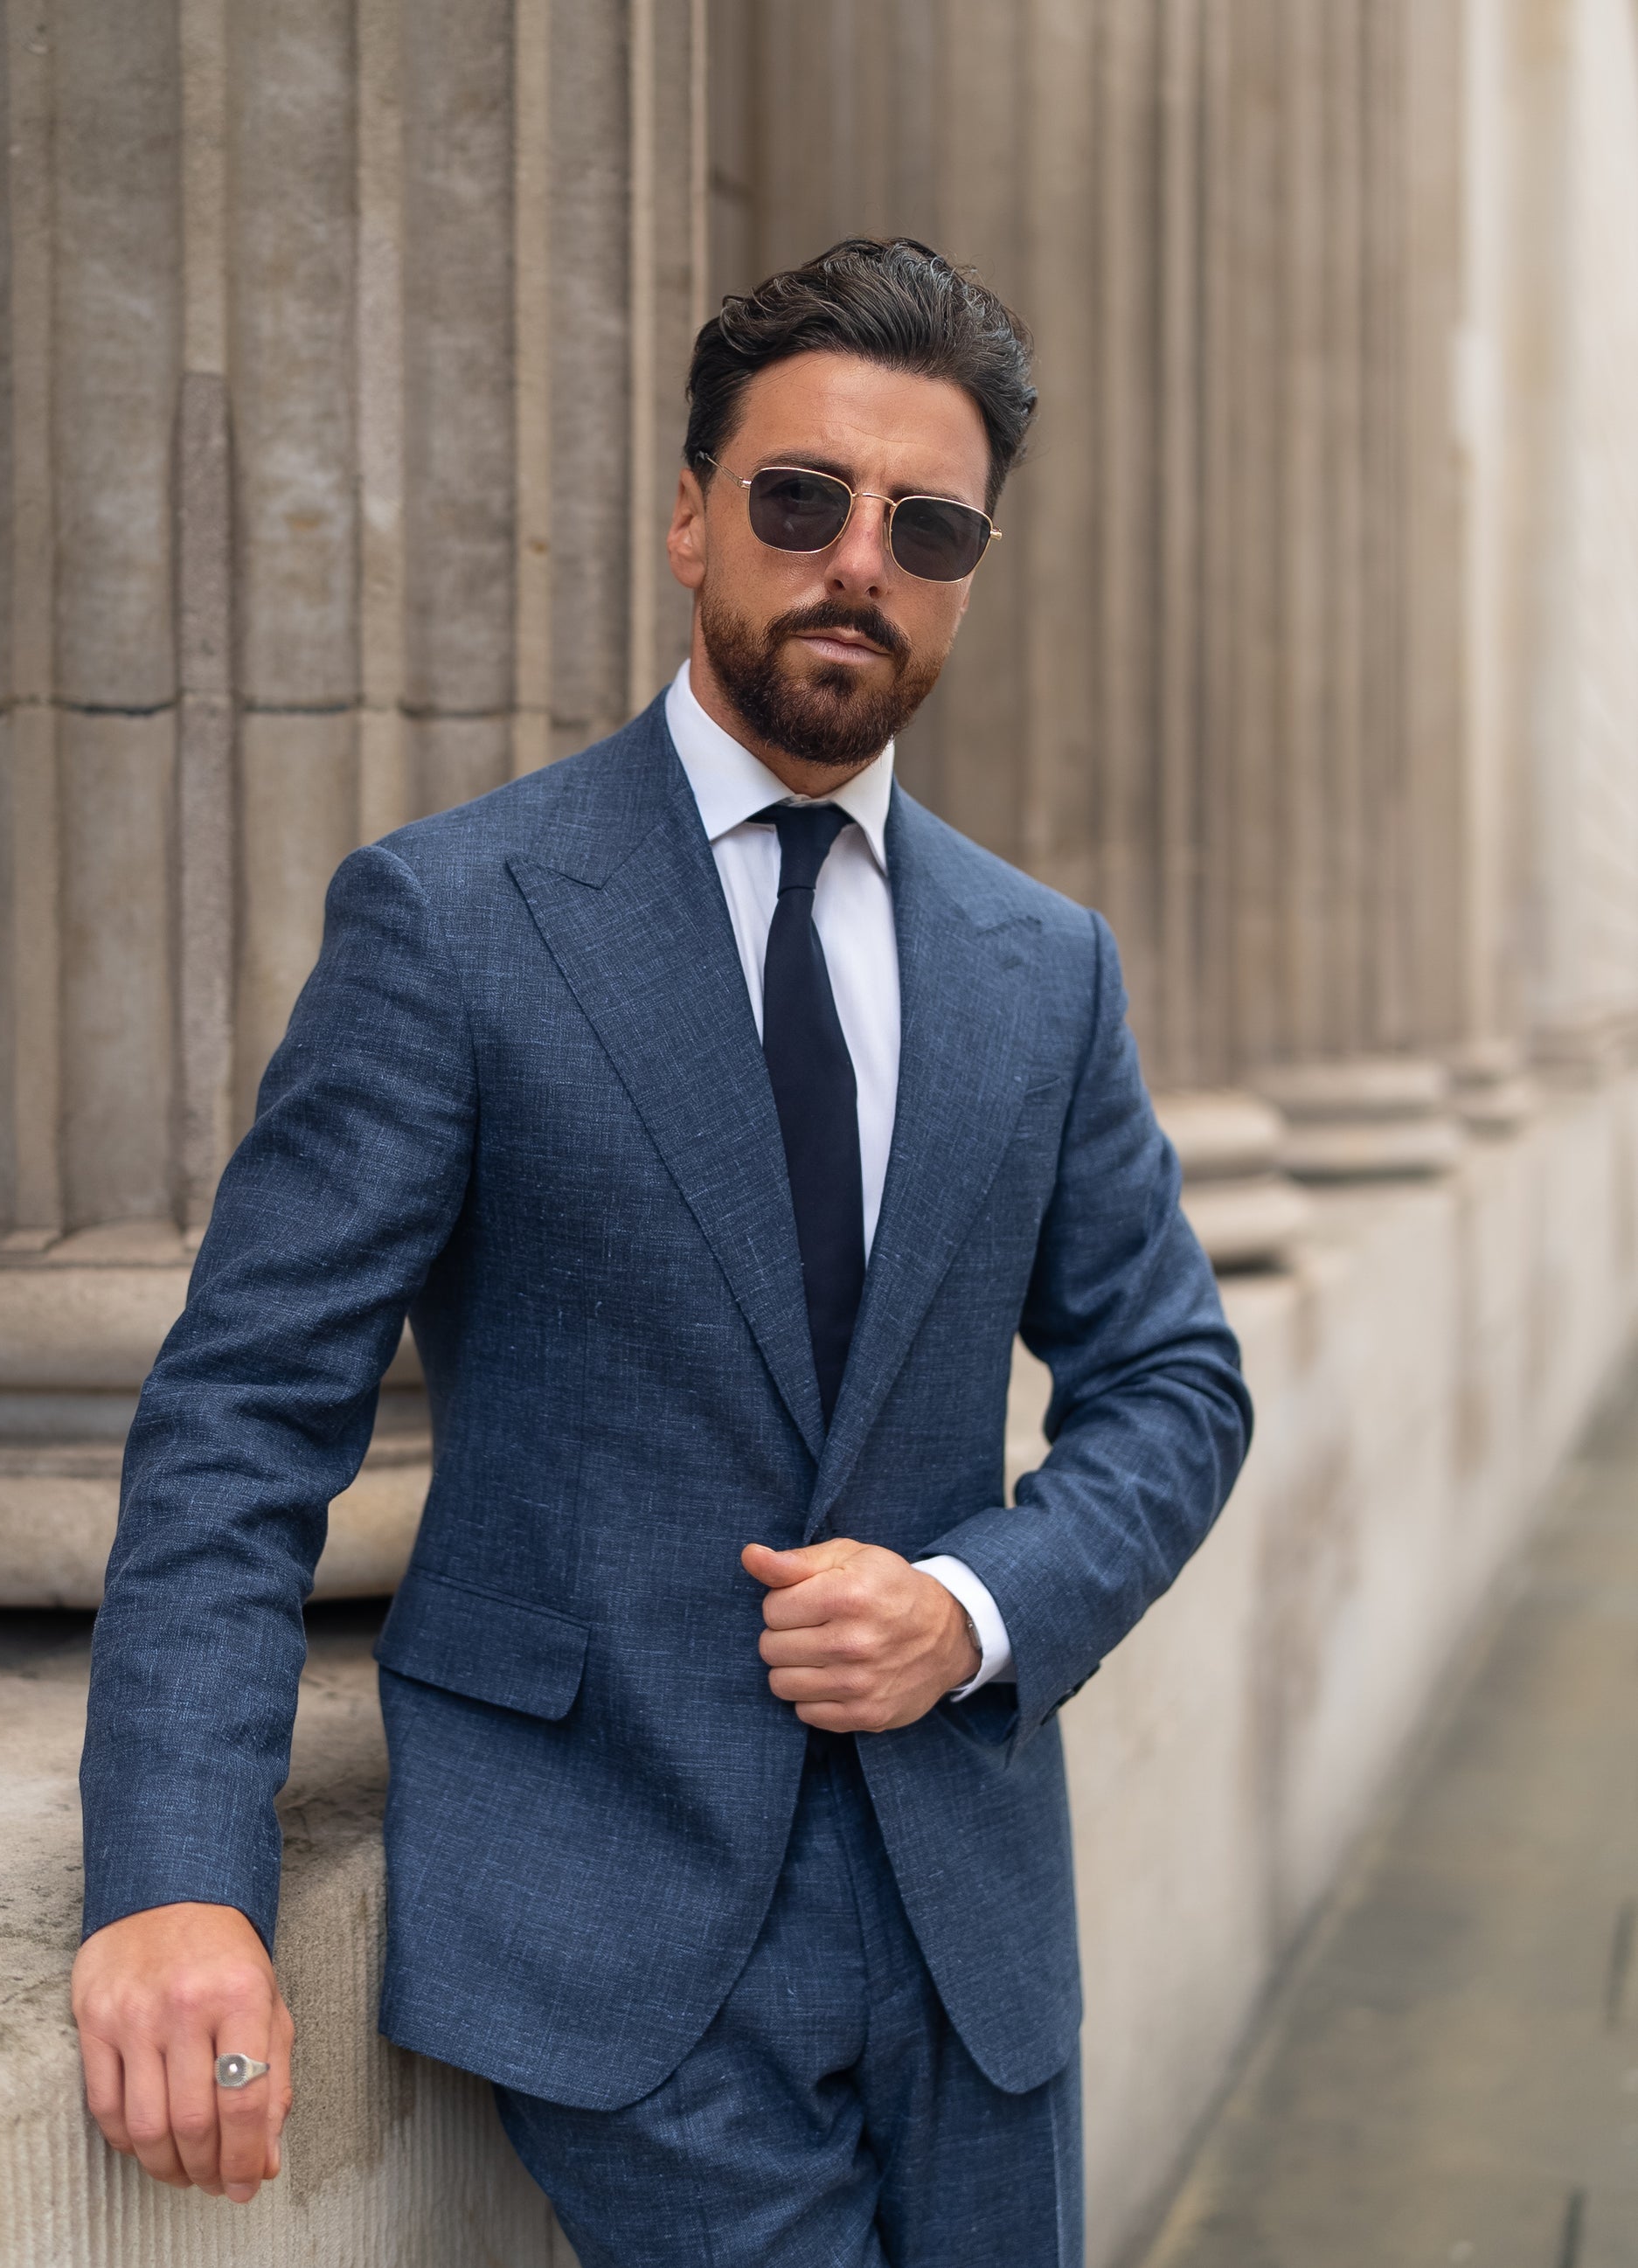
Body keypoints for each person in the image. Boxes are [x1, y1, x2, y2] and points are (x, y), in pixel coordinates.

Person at [73, 237, 1250, 2266]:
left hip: (974, 1939)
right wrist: (177, 1873)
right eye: (801, 497)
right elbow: (245, 1416)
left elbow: (1173, 1381)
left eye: (927, 523)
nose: (856, 559)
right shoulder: (455, 923)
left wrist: (972, 1602)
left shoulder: (1041, 967)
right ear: (692, 511)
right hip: (608, 1932)